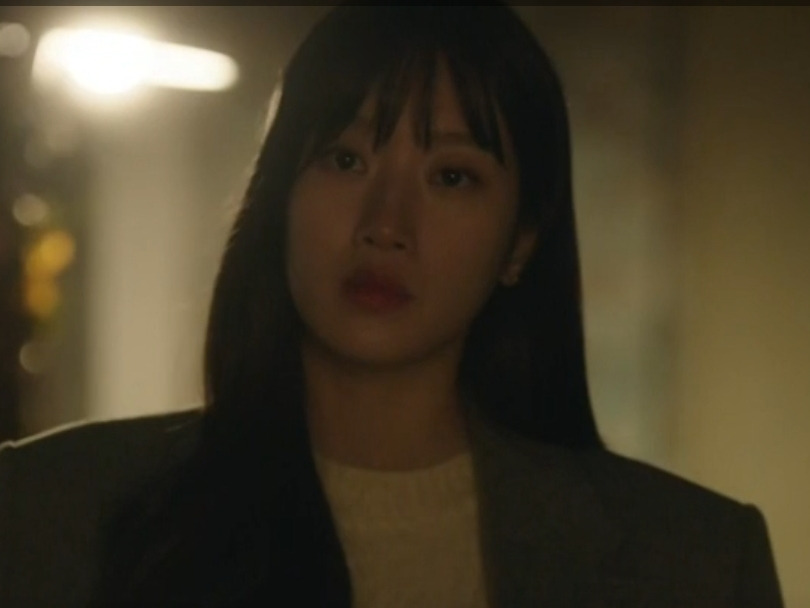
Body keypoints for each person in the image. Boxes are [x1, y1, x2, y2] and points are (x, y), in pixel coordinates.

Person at [0, 5, 783, 608]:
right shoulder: (46, 511)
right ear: (279, 197)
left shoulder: (697, 561)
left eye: (452, 177)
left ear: (520, 243)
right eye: (344, 159)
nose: (385, 223)